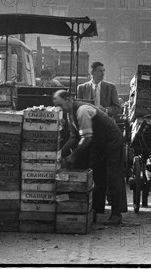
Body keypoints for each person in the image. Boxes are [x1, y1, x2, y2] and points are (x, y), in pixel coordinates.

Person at [53, 90, 128, 225]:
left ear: (69, 100)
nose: (60, 108)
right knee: (96, 175)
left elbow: (86, 139)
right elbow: (74, 137)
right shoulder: (71, 115)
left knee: (113, 177)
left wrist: (72, 156)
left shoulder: (82, 111)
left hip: (111, 142)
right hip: (99, 143)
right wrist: (58, 154)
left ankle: (117, 214)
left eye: (61, 104)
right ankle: (95, 211)